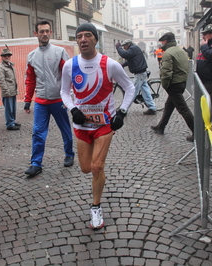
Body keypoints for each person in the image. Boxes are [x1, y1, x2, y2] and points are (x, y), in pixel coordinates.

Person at [60, 23, 136, 230]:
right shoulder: (70, 65)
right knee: (86, 168)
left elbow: (130, 87)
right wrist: (72, 108)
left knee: (96, 166)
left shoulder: (110, 64)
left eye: (88, 35)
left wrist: (122, 112)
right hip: (82, 125)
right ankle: (99, 176)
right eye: (79, 36)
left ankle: (96, 207)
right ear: (77, 41)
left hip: (104, 124)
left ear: (95, 39)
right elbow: (64, 92)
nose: (83, 39)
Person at [23, 20, 75, 177]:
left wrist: (70, 98)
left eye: (47, 31)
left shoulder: (59, 52)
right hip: (41, 101)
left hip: (58, 100)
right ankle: (35, 163)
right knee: (37, 132)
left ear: (50, 32)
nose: (44, 34)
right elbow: (30, 79)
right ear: (36, 34)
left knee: (65, 128)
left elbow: (69, 75)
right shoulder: (32, 56)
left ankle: (69, 154)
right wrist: (27, 99)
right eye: (41, 31)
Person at [150, 32, 194, 142]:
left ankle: (197, 131)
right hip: (182, 82)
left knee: (183, 108)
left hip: (174, 84)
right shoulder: (181, 51)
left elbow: (166, 72)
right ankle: (161, 126)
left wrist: (165, 85)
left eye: (162, 41)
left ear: (166, 41)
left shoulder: (168, 53)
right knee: (169, 105)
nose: (161, 44)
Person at [116, 39, 157, 115]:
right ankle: (152, 108)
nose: (124, 48)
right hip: (141, 72)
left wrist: (118, 48)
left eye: (124, 46)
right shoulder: (133, 48)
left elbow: (124, 55)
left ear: (127, 44)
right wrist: (122, 65)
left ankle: (123, 110)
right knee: (145, 91)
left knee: (132, 92)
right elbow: (131, 60)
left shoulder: (133, 48)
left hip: (139, 73)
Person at [0, 47, 20, 130]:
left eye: (8, 55)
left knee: (13, 108)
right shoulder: (0, 67)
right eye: (5, 56)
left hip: (12, 90)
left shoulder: (11, 66)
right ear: (2, 57)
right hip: (8, 92)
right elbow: (1, 81)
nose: (7, 57)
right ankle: (9, 123)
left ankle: (12, 121)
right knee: (8, 109)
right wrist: (6, 92)